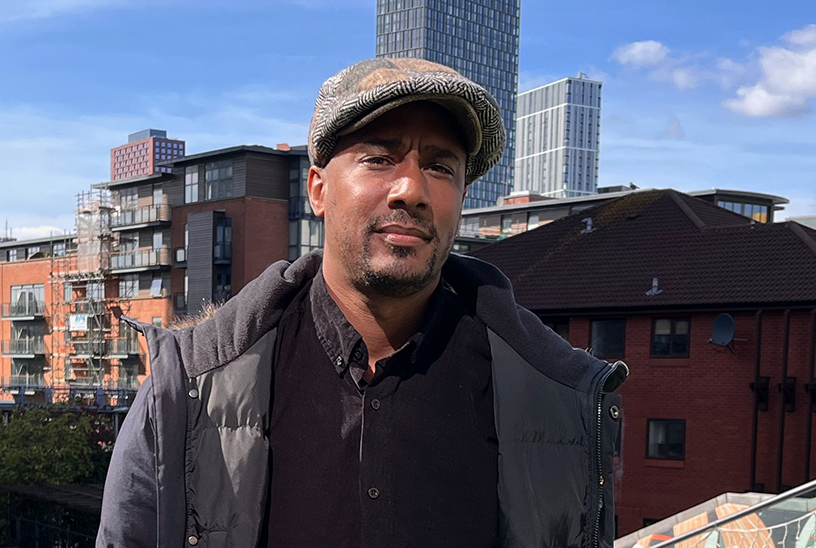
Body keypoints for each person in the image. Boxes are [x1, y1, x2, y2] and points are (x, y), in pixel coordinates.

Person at [98, 58, 628, 548]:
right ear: (318, 189)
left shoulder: (558, 399)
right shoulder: (189, 388)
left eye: (441, 167)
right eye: (379, 158)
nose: (411, 189)